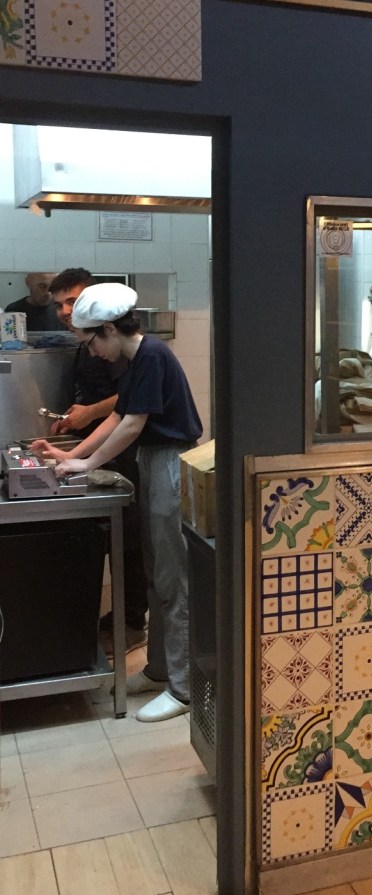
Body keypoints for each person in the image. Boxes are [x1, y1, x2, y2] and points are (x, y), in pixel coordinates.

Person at [31, 283, 203, 723]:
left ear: (109, 329)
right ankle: (161, 670)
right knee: (156, 575)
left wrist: (87, 464)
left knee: (173, 580)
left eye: (91, 342)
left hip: (169, 462)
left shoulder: (152, 355)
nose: (92, 352)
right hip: (153, 462)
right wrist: (71, 456)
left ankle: (184, 688)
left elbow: (132, 425)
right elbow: (116, 416)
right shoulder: (135, 360)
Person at [49, 268, 148, 654]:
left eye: (72, 301)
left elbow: (127, 407)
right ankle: (118, 619)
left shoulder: (133, 352)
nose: (65, 311)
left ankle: (132, 622)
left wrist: (87, 430)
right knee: (113, 537)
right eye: (59, 305)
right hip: (103, 450)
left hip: (125, 455)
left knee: (130, 541)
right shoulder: (88, 341)